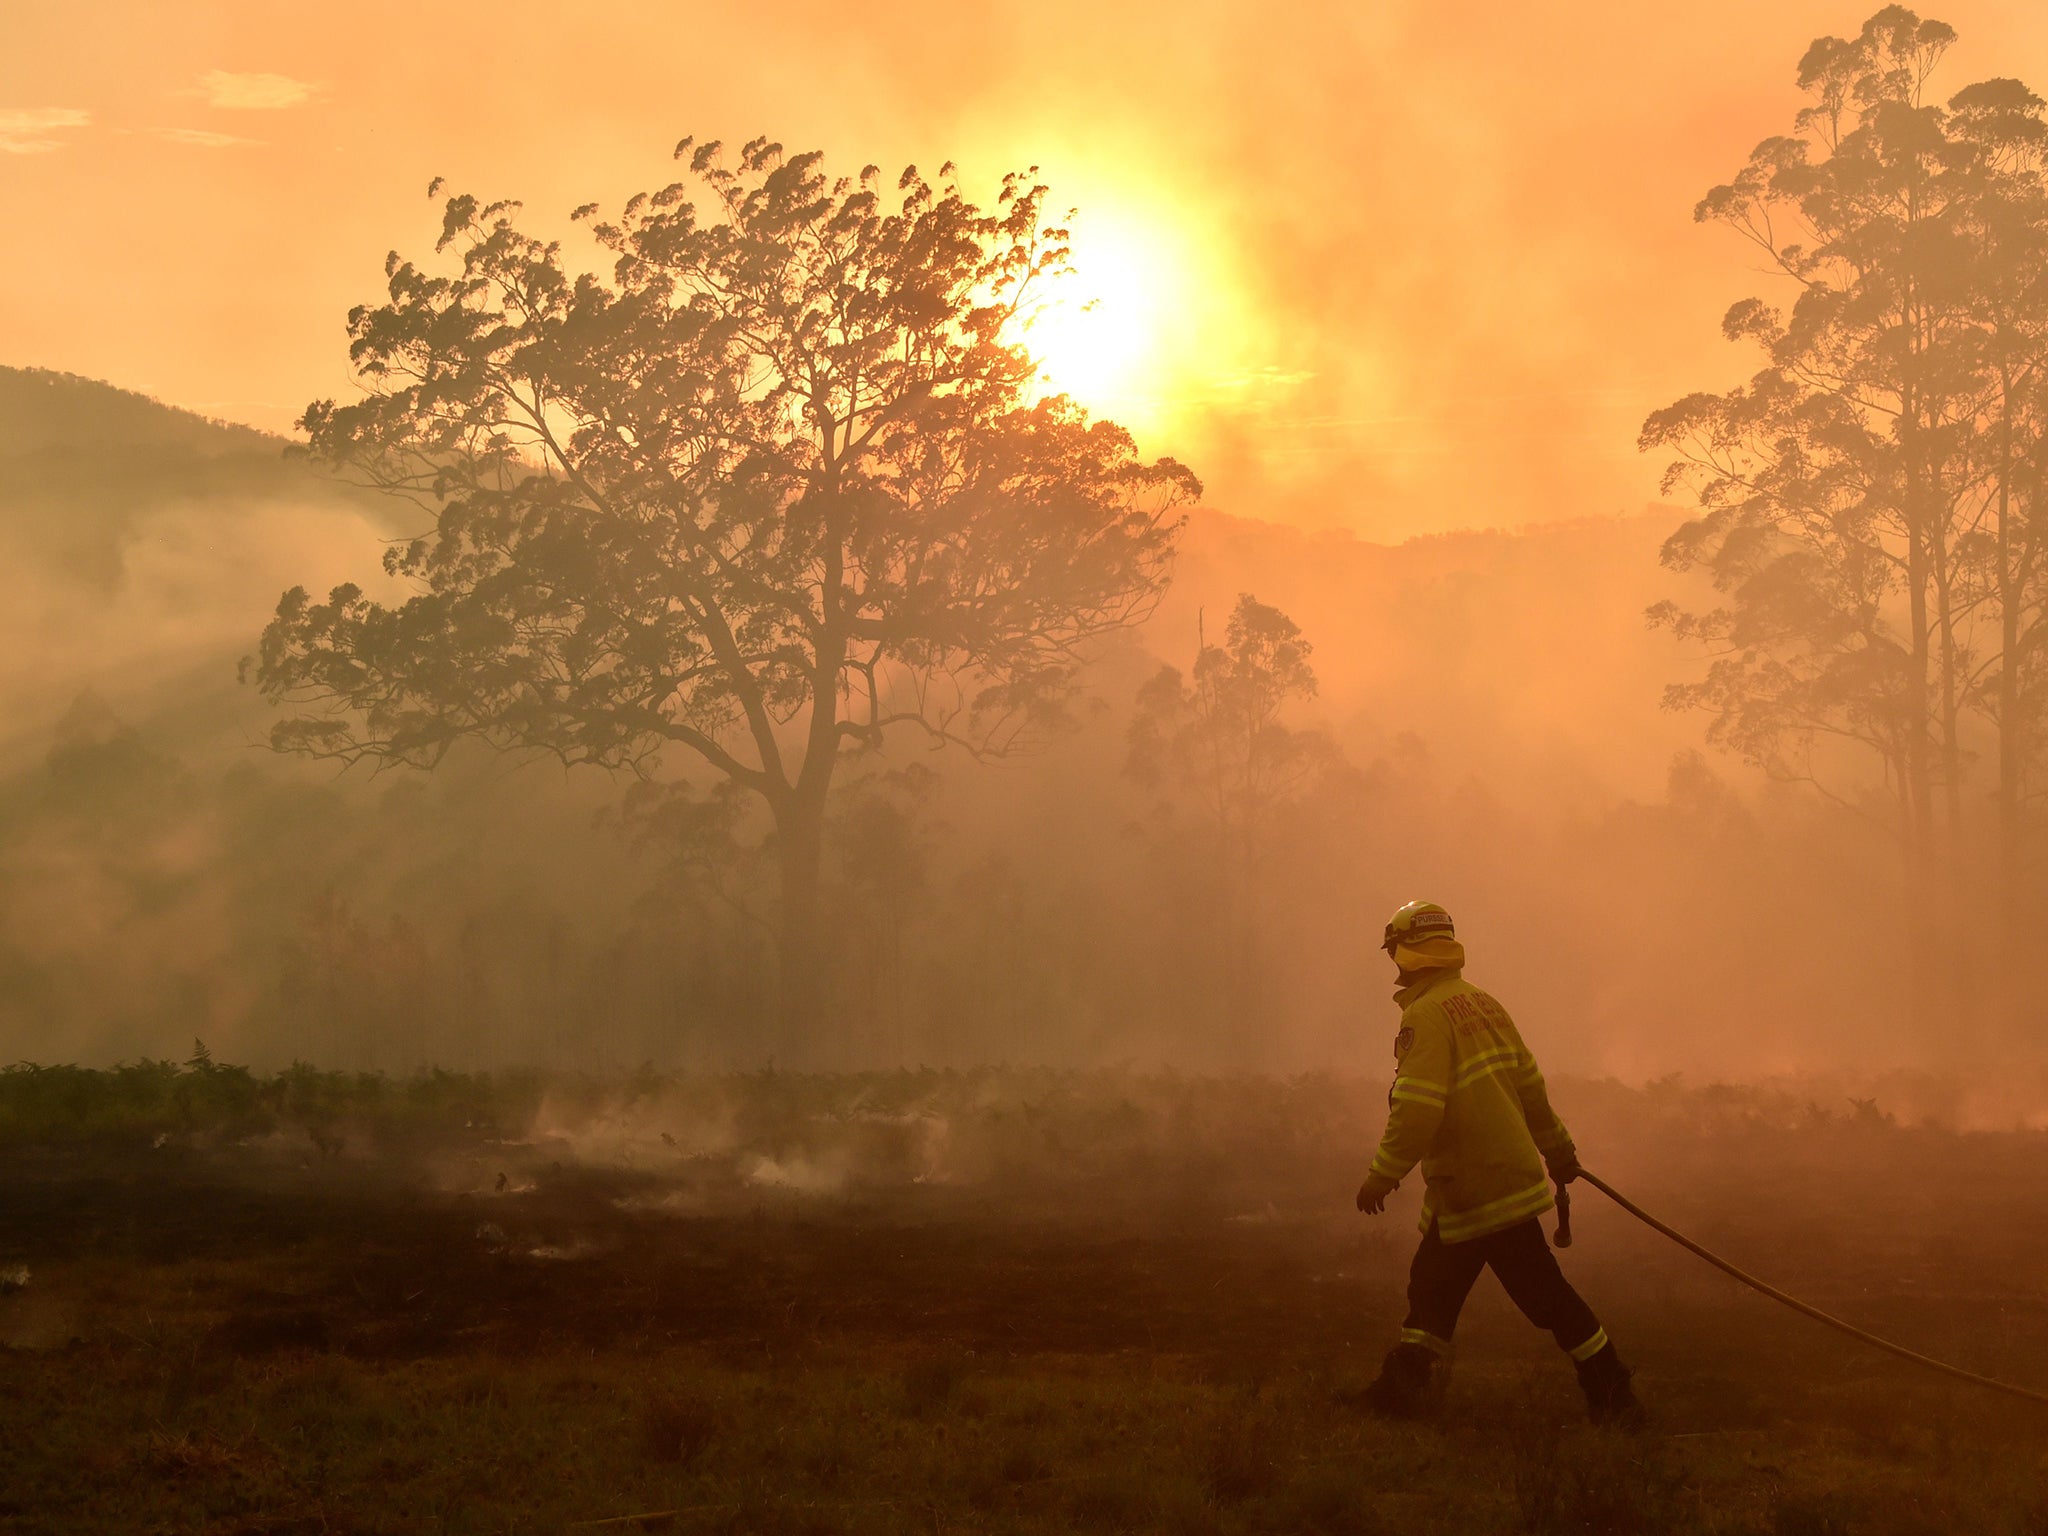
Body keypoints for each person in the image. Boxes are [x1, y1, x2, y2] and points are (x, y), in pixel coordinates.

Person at [1354, 900, 1643, 1425]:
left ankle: (1614, 1391)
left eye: (1394, 950)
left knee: (1540, 1297)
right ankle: (1401, 1388)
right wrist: (1559, 1152)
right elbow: (1530, 1087)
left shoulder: (1425, 1015)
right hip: (1492, 1184)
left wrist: (1382, 1175)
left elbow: (1417, 1108)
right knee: (1438, 1287)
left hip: (1475, 1188)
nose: (1393, 961)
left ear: (1406, 951)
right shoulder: (1485, 1004)